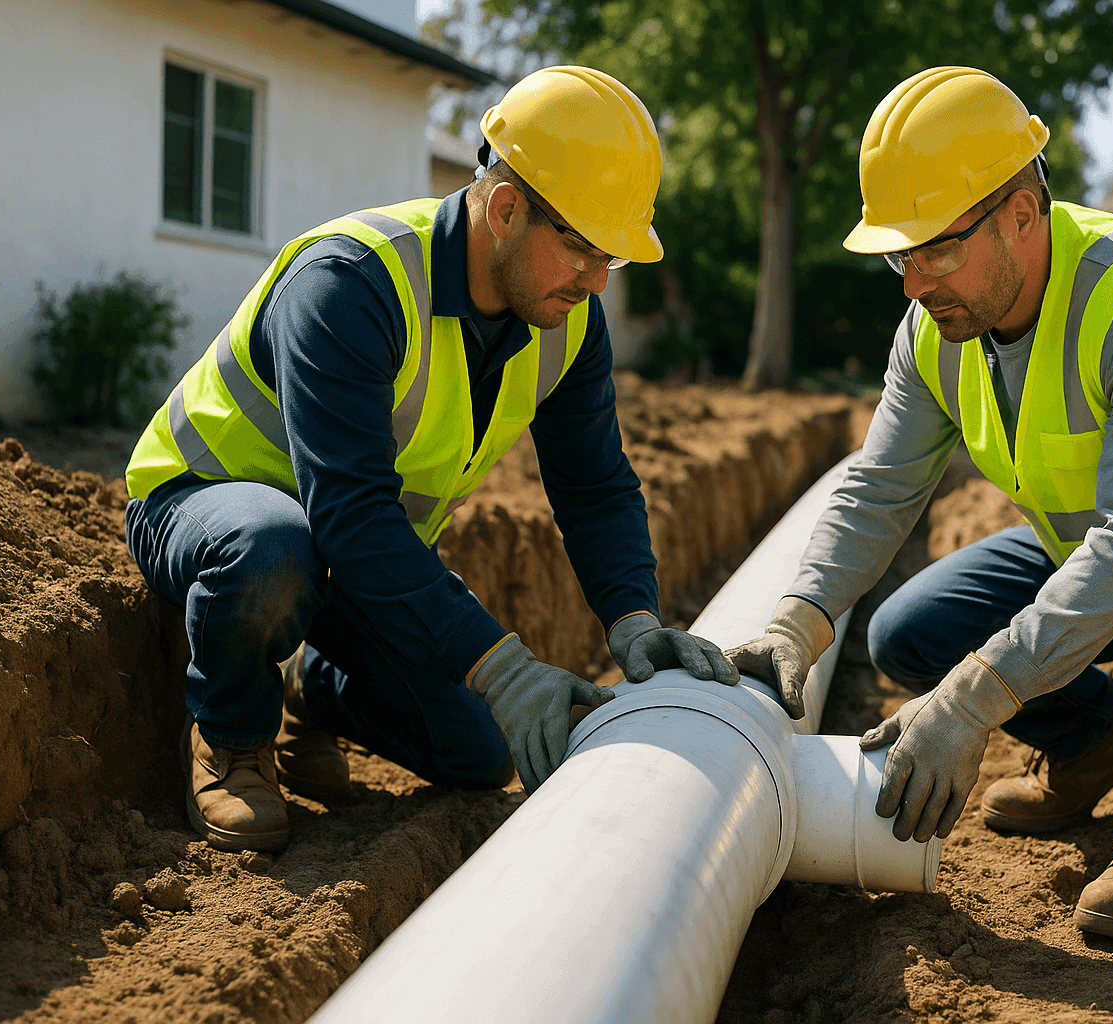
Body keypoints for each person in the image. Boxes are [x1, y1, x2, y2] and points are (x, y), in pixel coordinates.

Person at [726, 67, 1113, 941]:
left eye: (936, 247)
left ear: (1022, 212)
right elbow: (878, 487)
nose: (914, 281)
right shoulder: (936, 327)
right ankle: (1098, 738)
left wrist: (973, 701)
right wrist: (799, 620)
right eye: (900, 255)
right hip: (1101, 538)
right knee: (905, 632)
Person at [124, 66, 737, 854]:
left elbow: (594, 485)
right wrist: (506, 665)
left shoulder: (566, 320)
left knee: (480, 749)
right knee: (273, 550)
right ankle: (234, 736)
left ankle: (314, 687)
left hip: (356, 552)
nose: (596, 281)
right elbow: (348, 510)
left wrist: (634, 617)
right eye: (584, 249)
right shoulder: (351, 283)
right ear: (508, 208)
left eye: (612, 259)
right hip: (208, 503)